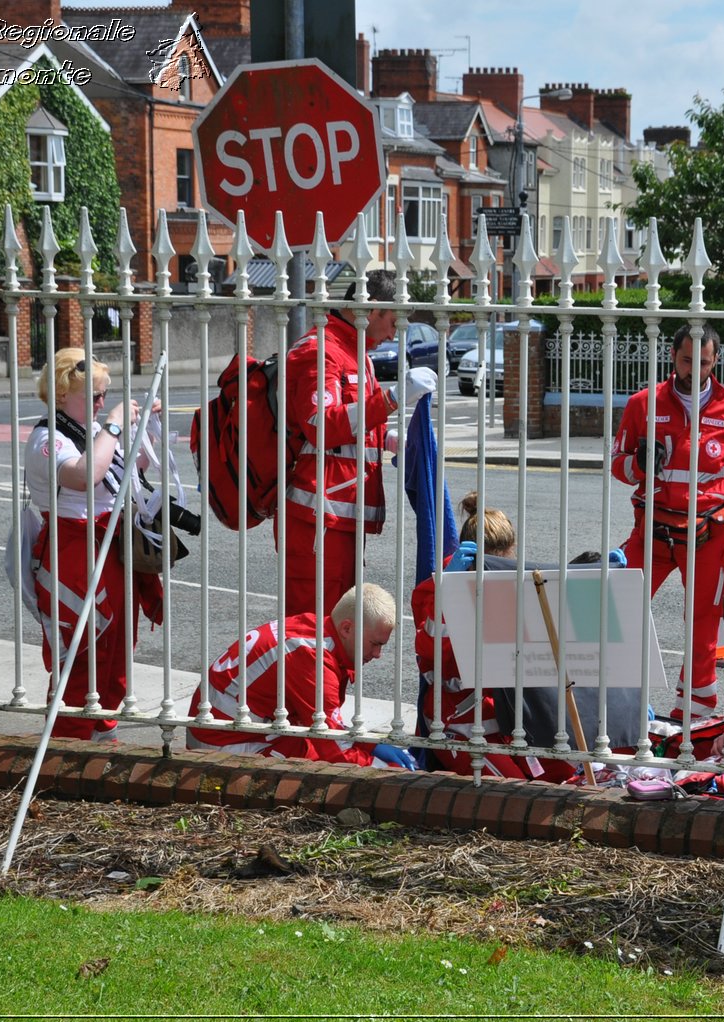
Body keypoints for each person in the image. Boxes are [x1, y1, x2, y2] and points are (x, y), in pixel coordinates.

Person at [610, 322, 724, 723]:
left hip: (710, 536)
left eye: (702, 363)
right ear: (672, 356)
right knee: (616, 610)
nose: (693, 370)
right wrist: (639, 464)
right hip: (653, 531)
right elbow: (618, 466)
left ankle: (694, 719)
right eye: (686, 360)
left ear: (715, 361)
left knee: (702, 629)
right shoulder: (642, 404)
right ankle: (613, 706)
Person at [26, 348, 162, 741]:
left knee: (117, 645)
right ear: (64, 393)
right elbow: (85, 475)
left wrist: (141, 431)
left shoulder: (91, 432)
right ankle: (71, 737)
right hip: (74, 549)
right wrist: (115, 427)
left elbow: (130, 470)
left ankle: (102, 728)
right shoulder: (47, 437)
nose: (102, 403)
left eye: (105, 395)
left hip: (109, 543)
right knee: (82, 645)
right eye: (94, 395)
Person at [281, 270, 436, 614]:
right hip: (317, 519)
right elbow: (320, 425)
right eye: (393, 322)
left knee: (340, 627)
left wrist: (390, 439)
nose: (395, 333)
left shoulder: (356, 353)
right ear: (372, 309)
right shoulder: (321, 350)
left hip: (339, 516)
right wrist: (391, 399)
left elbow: (354, 426)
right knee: (315, 626)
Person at [186, 583, 416, 769]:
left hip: (225, 730)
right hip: (222, 745)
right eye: (375, 644)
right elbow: (333, 748)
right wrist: (388, 773)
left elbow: (327, 727)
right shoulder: (313, 658)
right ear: (347, 629)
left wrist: (368, 745)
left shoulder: (315, 633)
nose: (378, 654)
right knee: (320, 768)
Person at [411, 494, 552, 779]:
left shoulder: (515, 583)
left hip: (507, 719)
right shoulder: (433, 589)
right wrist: (448, 594)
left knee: (563, 774)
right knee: (511, 790)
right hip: (457, 724)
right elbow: (429, 651)